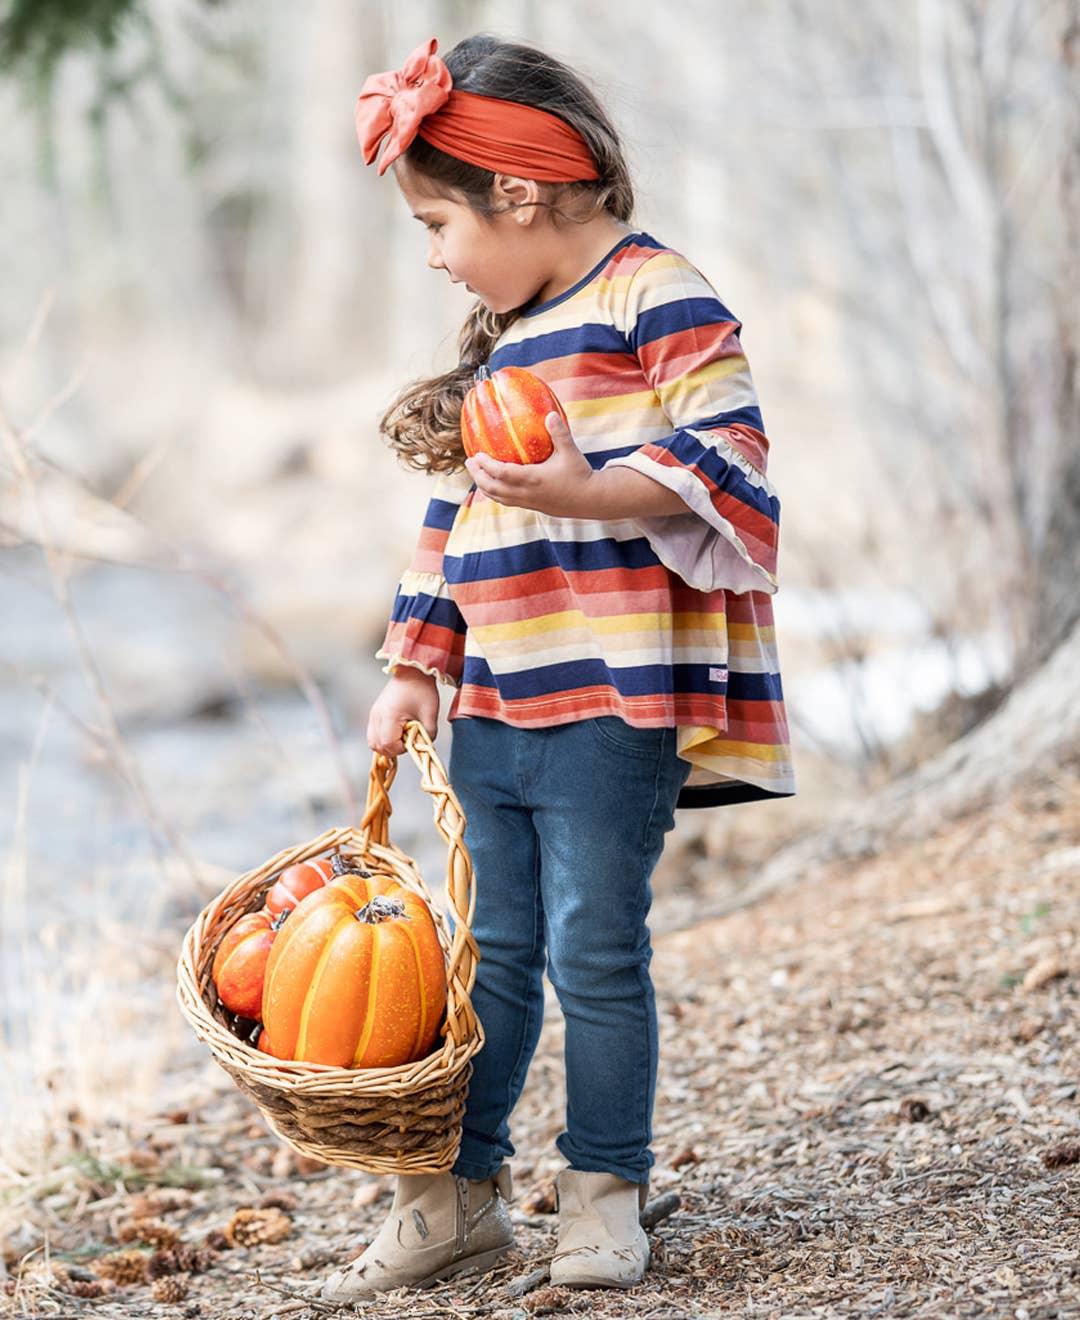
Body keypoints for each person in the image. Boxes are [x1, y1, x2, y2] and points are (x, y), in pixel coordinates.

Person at [321, 33, 796, 1303]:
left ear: (519, 195)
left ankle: (604, 1191)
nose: (433, 251)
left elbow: (733, 456)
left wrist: (591, 488)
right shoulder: (510, 331)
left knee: (595, 948)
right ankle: (458, 1198)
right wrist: (417, 660)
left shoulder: (661, 296)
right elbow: (457, 515)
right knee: (491, 955)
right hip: (498, 696)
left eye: (435, 220)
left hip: (615, 695)